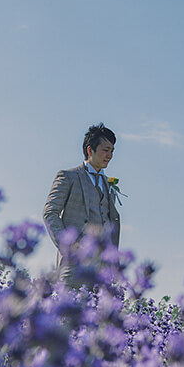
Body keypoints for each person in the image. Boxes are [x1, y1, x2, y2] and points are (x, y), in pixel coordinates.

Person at [43, 123, 121, 288]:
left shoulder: (108, 185)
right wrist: (69, 246)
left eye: (112, 151)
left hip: (101, 271)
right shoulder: (68, 176)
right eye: (105, 150)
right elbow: (50, 213)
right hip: (73, 267)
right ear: (89, 150)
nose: (110, 155)